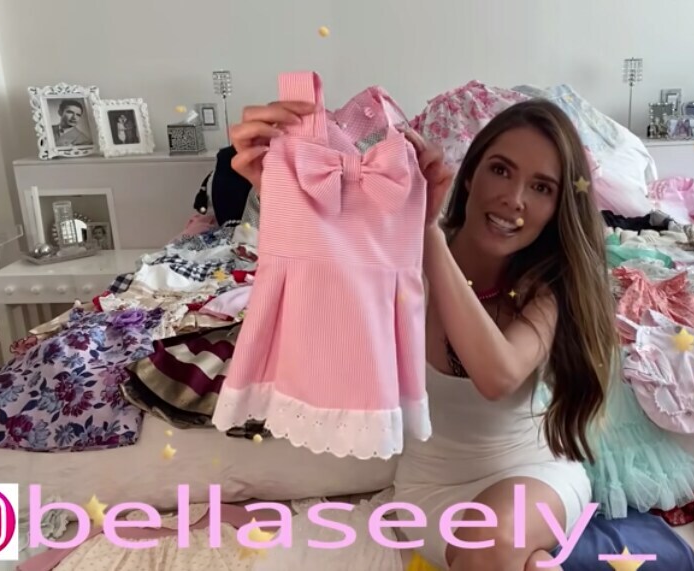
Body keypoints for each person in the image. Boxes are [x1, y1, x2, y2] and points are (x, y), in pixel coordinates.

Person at [228, 98, 618, 570]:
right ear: (470, 175)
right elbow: (327, 302)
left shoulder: (549, 287)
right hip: (431, 492)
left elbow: (498, 376)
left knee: (492, 537)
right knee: (514, 556)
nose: (514, 198)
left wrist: (426, 228)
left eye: (541, 187)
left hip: (534, 478)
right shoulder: (393, 261)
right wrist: (282, 195)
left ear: (557, 207)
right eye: (500, 170)